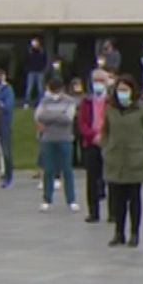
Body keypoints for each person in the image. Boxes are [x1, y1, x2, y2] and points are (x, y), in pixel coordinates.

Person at [101, 76, 143, 247]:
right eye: (120, 90)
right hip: (115, 159)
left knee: (134, 198)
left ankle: (135, 233)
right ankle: (118, 233)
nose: (122, 93)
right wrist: (105, 148)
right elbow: (105, 131)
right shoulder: (111, 109)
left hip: (135, 160)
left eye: (125, 90)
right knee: (117, 199)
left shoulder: (141, 108)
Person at [35, 77, 79, 213]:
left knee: (67, 170)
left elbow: (68, 118)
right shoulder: (44, 101)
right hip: (48, 139)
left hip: (64, 139)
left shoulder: (69, 101)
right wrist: (58, 116)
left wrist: (50, 117)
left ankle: (71, 200)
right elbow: (39, 116)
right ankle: (47, 199)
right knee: (48, 170)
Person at [76, 72, 110, 222]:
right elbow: (82, 123)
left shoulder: (112, 101)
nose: (98, 83)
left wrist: (104, 136)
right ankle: (93, 212)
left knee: (111, 179)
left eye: (101, 80)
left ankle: (113, 212)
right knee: (92, 179)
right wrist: (92, 136)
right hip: (91, 143)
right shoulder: (86, 101)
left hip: (108, 143)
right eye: (95, 80)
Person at [0, 69, 16, 187]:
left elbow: (8, 106)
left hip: (4, 123)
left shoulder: (8, 89)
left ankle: (8, 176)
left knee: (6, 151)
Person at [23, 37, 48, 108]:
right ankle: (26, 103)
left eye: (35, 42)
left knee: (40, 88)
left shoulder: (42, 51)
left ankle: (39, 103)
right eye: (33, 43)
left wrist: (43, 69)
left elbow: (45, 60)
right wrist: (27, 69)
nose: (34, 44)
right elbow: (26, 60)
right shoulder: (29, 51)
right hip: (31, 71)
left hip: (40, 72)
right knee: (29, 88)